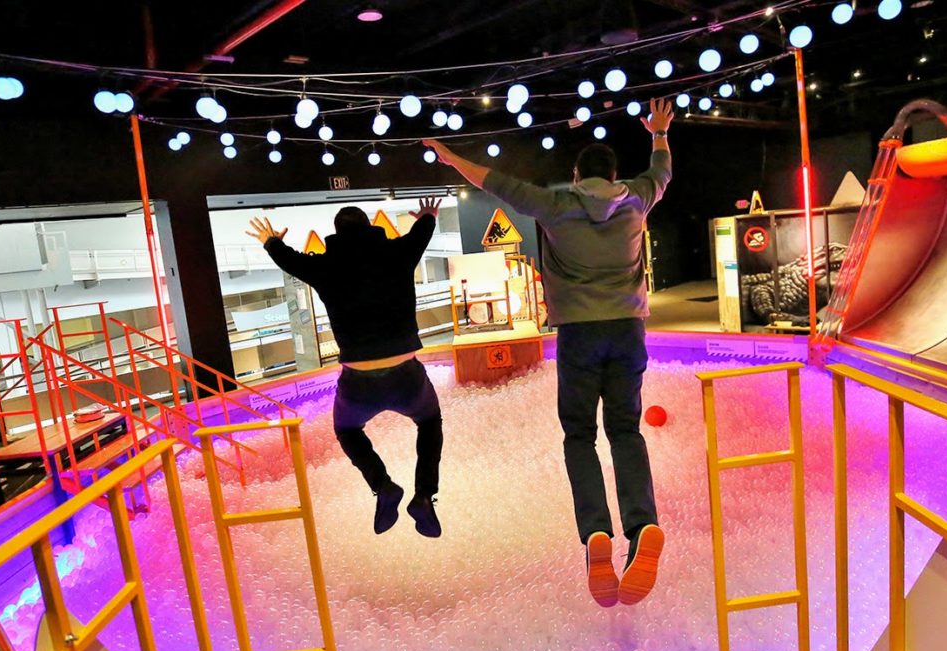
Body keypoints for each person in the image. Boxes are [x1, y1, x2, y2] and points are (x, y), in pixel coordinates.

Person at [424, 98, 674, 607]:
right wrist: (659, 133)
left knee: (579, 435)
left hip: (579, 335)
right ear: (614, 174)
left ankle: (596, 534)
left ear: (576, 174)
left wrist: (452, 158)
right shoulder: (637, 200)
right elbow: (662, 171)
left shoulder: (555, 204)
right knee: (625, 429)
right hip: (628, 331)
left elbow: (494, 181)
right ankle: (642, 524)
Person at [246, 198, 444, 537]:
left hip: (358, 380)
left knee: (348, 431)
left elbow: (289, 260)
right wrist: (427, 214)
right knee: (428, 422)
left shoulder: (324, 266)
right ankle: (424, 495)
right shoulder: (398, 252)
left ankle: (383, 486)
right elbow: (422, 233)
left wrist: (271, 240)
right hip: (405, 374)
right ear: (369, 227)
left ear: (335, 234)